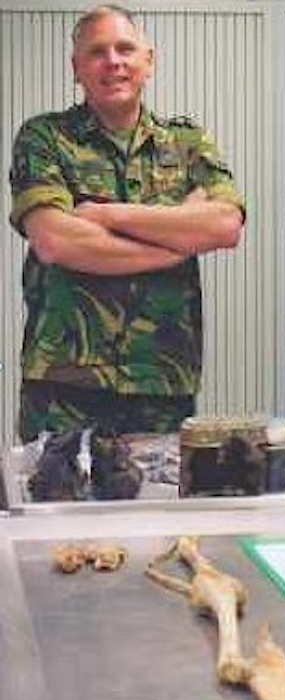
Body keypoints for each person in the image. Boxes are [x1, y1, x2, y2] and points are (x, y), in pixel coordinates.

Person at [9, 4, 245, 443]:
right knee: (55, 506)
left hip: (161, 380)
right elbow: (55, 241)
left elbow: (224, 226)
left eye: (125, 48)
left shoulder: (187, 144)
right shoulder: (44, 138)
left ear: (148, 61)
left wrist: (105, 214)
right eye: (97, 51)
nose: (113, 61)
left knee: (156, 509)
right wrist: (177, 241)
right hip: (65, 384)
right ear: (76, 68)